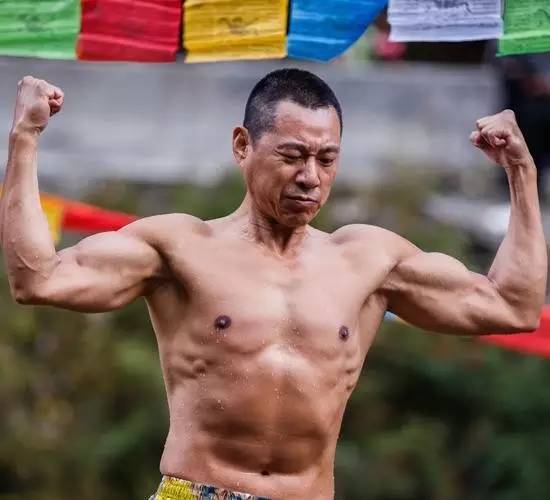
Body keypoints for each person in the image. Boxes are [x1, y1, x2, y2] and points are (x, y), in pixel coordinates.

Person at [0, 69, 546, 500]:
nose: (310, 177)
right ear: (243, 145)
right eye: (292, 155)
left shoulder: (369, 261)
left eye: (326, 159)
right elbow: (38, 279)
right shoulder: (181, 247)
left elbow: (512, 306)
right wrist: (25, 136)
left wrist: (521, 172)